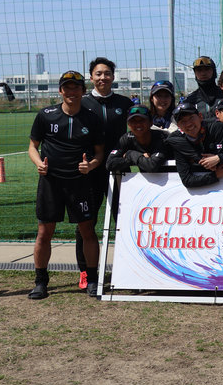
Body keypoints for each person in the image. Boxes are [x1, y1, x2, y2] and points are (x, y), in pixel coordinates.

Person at [27, 71, 105, 299]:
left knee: (87, 231)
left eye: (76, 87)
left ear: (83, 90)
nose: (72, 92)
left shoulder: (92, 118)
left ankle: (92, 279)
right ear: (60, 91)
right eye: (67, 87)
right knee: (44, 232)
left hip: (80, 183)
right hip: (50, 182)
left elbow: (100, 154)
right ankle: (41, 282)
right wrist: (39, 163)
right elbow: (32, 147)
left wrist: (90, 165)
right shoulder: (46, 115)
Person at [78, 57, 133, 290]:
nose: (103, 77)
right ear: (91, 77)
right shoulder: (81, 103)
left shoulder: (124, 102)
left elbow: (136, 131)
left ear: (113, 76)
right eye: (98, 74)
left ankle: (127, 269)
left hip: (119, 168)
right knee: (85, 222)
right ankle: (85, 272)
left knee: (124, 219)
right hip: (89, 171)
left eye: (107, 73)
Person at [165, 102, 223, 188]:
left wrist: (218, 158)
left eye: (191, 118)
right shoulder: (177, 140)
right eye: (183, 121)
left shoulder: (216, 127)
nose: (188, 124)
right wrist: (215, 176)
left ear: (200, 116)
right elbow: (187, 180)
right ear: (179, 126)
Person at [105, 105, 168, 173]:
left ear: (151, 123)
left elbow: (152, 166)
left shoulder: (161, 137)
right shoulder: (126, 138)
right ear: (128, 124)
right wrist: (138, 157)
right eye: (133, 121)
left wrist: (130, 154)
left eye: (142, 120)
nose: (138, 124)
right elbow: (110, 164)